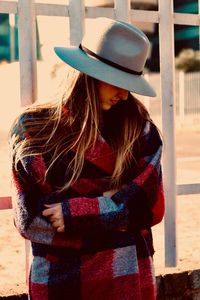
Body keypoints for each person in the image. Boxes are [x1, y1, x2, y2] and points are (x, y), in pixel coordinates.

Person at [9, 17, 165, 300]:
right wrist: (117, 207)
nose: (124, 93)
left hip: (127, 275)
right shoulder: (32, 129)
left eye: (129, 82)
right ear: (87, 74)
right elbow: (30, 219)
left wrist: (73, 213)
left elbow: (149, 206)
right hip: (61, 280)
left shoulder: (139, 127)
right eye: (116, 81)